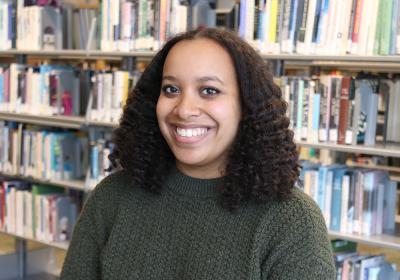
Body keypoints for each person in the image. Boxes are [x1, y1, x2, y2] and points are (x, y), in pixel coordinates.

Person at [60, 28, 335, 280]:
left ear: (247, 106)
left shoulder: (291, 221)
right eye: (171, 89)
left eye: (209, 90)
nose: (184, 109)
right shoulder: (112, 198)